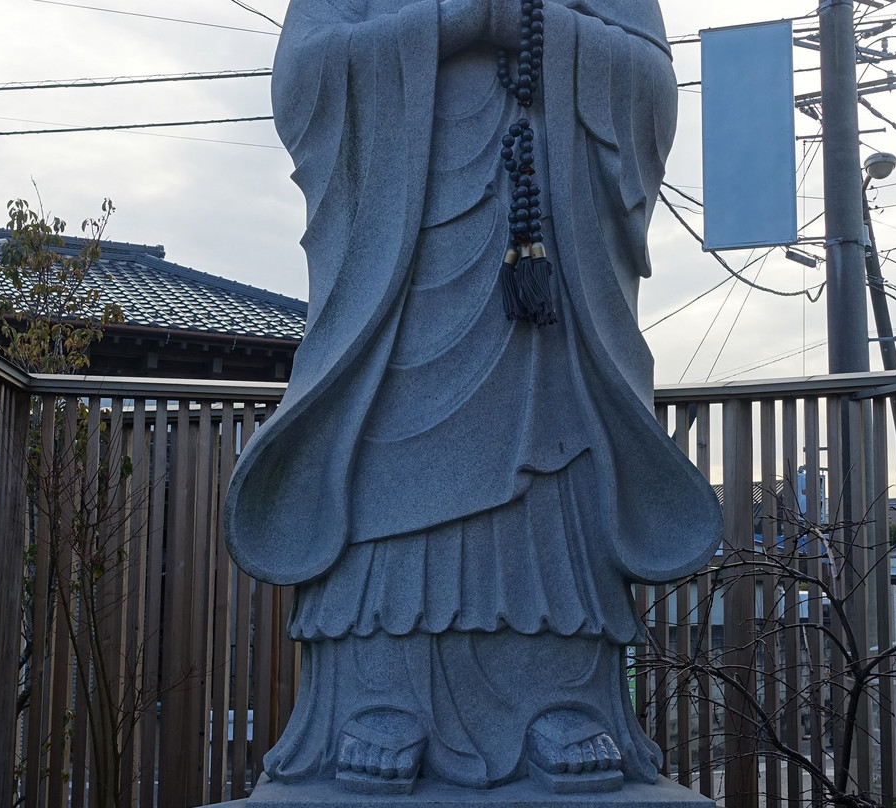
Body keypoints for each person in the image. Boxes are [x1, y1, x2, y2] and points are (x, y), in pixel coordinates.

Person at [224, 0, 721, 795]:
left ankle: (561, 698)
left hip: (544, 242)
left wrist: (537, 25)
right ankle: (377, 696)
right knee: (389, 431)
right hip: (402, 244)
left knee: (552, 445)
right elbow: (305, 76)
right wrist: (454, 21)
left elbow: (651, 82)